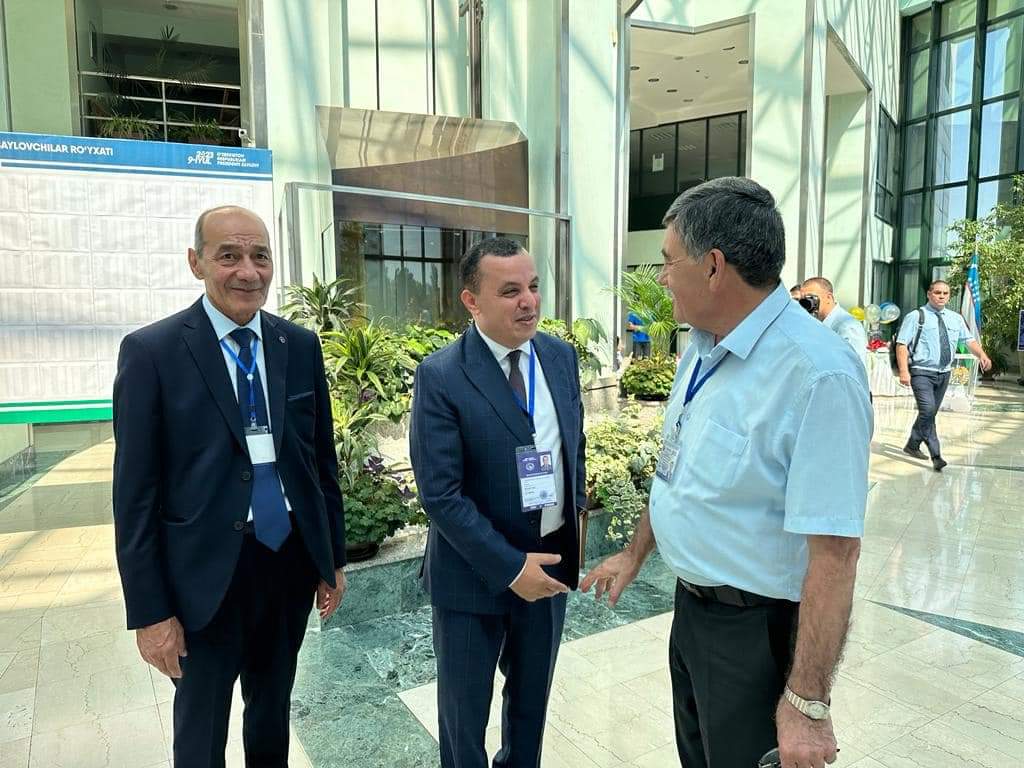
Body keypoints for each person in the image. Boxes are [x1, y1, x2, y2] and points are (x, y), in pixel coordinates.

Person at [581, 178, 872, 768]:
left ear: (713, 267)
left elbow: (836, 553)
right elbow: (677, 471)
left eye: (668, 261)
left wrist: (807, 703)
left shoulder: (817, 375)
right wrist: (635, 554)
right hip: (693, 615)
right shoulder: (699, 349)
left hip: (757, 636)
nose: (662, 277)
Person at [112, 206, 347, 767]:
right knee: (202, 729)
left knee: (271, 713)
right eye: (229, 256)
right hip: (201, 578)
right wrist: (149, 612)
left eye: (260, 256)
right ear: (196, 263)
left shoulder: (298, 345)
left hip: (286, 562)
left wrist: (330, 558)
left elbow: (320, 462)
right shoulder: (153, 353)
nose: (248, 271)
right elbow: (134, 497)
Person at [409, 236, 587, 768]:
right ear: (472, 300)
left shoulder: (559, 357)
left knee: (529, 714)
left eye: (533, 286)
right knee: (463, 724)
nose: (528, 302)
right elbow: (441, 495)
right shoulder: (442, 374)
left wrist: (573, 528)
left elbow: (573, 449)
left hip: (550, 569)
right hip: (472, 578)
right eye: (510, 291)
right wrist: (511, 568)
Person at [895, 279, 991, 471]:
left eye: (945, 293)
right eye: (937, 292)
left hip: (944, 373)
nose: (941, 296)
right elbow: (902, 344)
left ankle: (912, 444)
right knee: (928, 411)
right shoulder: (916, 316)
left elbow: (969, 340)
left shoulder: (955, 318)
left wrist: (982, 354)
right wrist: (904, 371)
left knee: (929, 412)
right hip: (922, 372)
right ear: (929, 294)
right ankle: (936, 455)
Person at [801, 277, 869, 372]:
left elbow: (854, 370)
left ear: (829, 298)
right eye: (803, 300)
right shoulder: (815, 324)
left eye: (811, 298)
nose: (807, 304)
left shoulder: (847, 326)